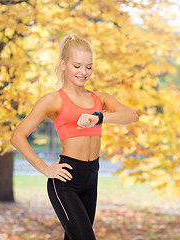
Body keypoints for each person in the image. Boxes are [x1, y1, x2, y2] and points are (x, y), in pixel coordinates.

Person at [10, 34, 139, 240]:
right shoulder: (53, 100)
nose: (83, 72)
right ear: (63, 64)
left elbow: (132, 115)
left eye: (89, 66)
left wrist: (99, 118)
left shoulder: (100, 99)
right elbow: (17, 137)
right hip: (66, 179)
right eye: (77, 66)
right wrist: (46, 169)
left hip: (91, 176)